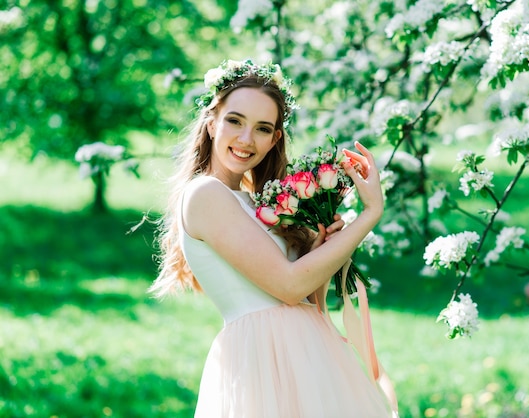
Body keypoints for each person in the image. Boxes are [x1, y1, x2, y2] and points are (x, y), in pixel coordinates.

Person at [150, 59, 397, 418]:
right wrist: (370, 214)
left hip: (306, 355)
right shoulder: (205, 194)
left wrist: (318, 251)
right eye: (235, 120)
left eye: (262, 128)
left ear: (274, 139)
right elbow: (288, 287)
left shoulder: (254, 202)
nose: (246, 139)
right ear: (211, 120)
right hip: (263, 364)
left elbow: (305, 294)